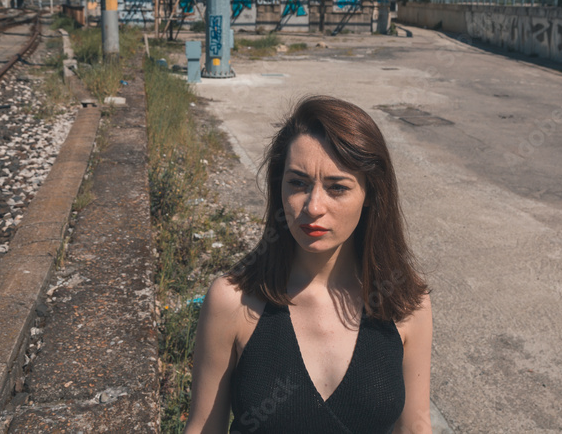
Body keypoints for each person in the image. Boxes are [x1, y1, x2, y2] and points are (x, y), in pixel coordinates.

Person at [184, 96, 433, 434]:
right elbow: (203, 427)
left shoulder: (405, 302)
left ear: (371, 195)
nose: (313, 206)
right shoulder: (234, 301)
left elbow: (415, 426)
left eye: (337, 187)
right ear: (279, 187)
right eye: (298, 183)